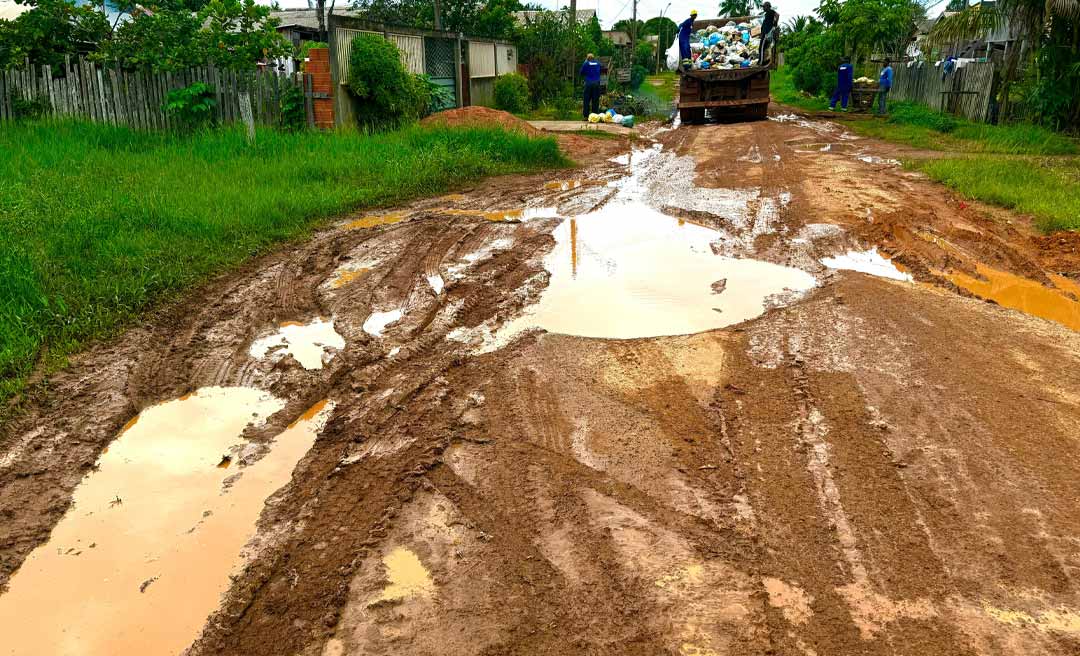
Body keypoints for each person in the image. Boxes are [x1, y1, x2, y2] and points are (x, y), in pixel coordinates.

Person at [580, 53, 602, 120]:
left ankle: (586, 116)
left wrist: (585, 63)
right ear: (593, 58)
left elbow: (581, 72)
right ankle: (595, 116)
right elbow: (600, 71)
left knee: (586, 100)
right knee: (595, 100)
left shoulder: (586, 63)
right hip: (596, 84)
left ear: (587, 58)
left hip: (588, 84)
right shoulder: (598, 63)